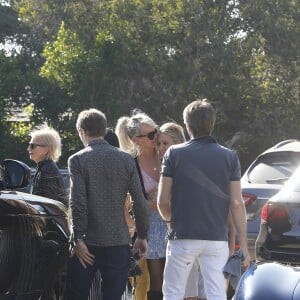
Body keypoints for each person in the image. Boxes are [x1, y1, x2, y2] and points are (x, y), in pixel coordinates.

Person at [157, 99, 251, 300]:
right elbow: (236, 203)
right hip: (216, 238)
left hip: (182, 235)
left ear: (187, 125)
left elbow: (162, 202)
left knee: (173, 293)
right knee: (216, 294)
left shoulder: (173, 153)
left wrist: (170, 222)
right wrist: (243, 245)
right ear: (212, 123)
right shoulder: (229, 157)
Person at [66, 108, 149, 300]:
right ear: (104, 130)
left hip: (87, 243)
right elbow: (139, 201)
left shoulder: (77, 160)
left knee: (76, 295)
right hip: (118, 241)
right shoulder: (126, 159)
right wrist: (142, 235)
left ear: (82, 131)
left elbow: (77, 202)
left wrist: (77, 238)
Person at [116, 111, 166, 300]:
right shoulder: (130, 163)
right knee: (149, 280)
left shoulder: (167, 154)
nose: (157, 137)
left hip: (171, 223)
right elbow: (125, 200)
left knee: (170, 275)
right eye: (151, 135)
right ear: (136, 139)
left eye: (157, 131)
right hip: (145, 227)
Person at [27, 123, 68, 206]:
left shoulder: (47, 170)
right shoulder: (45, 167)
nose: (28, 149)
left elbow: (49, 205)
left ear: (46, 150)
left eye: (32, 146)